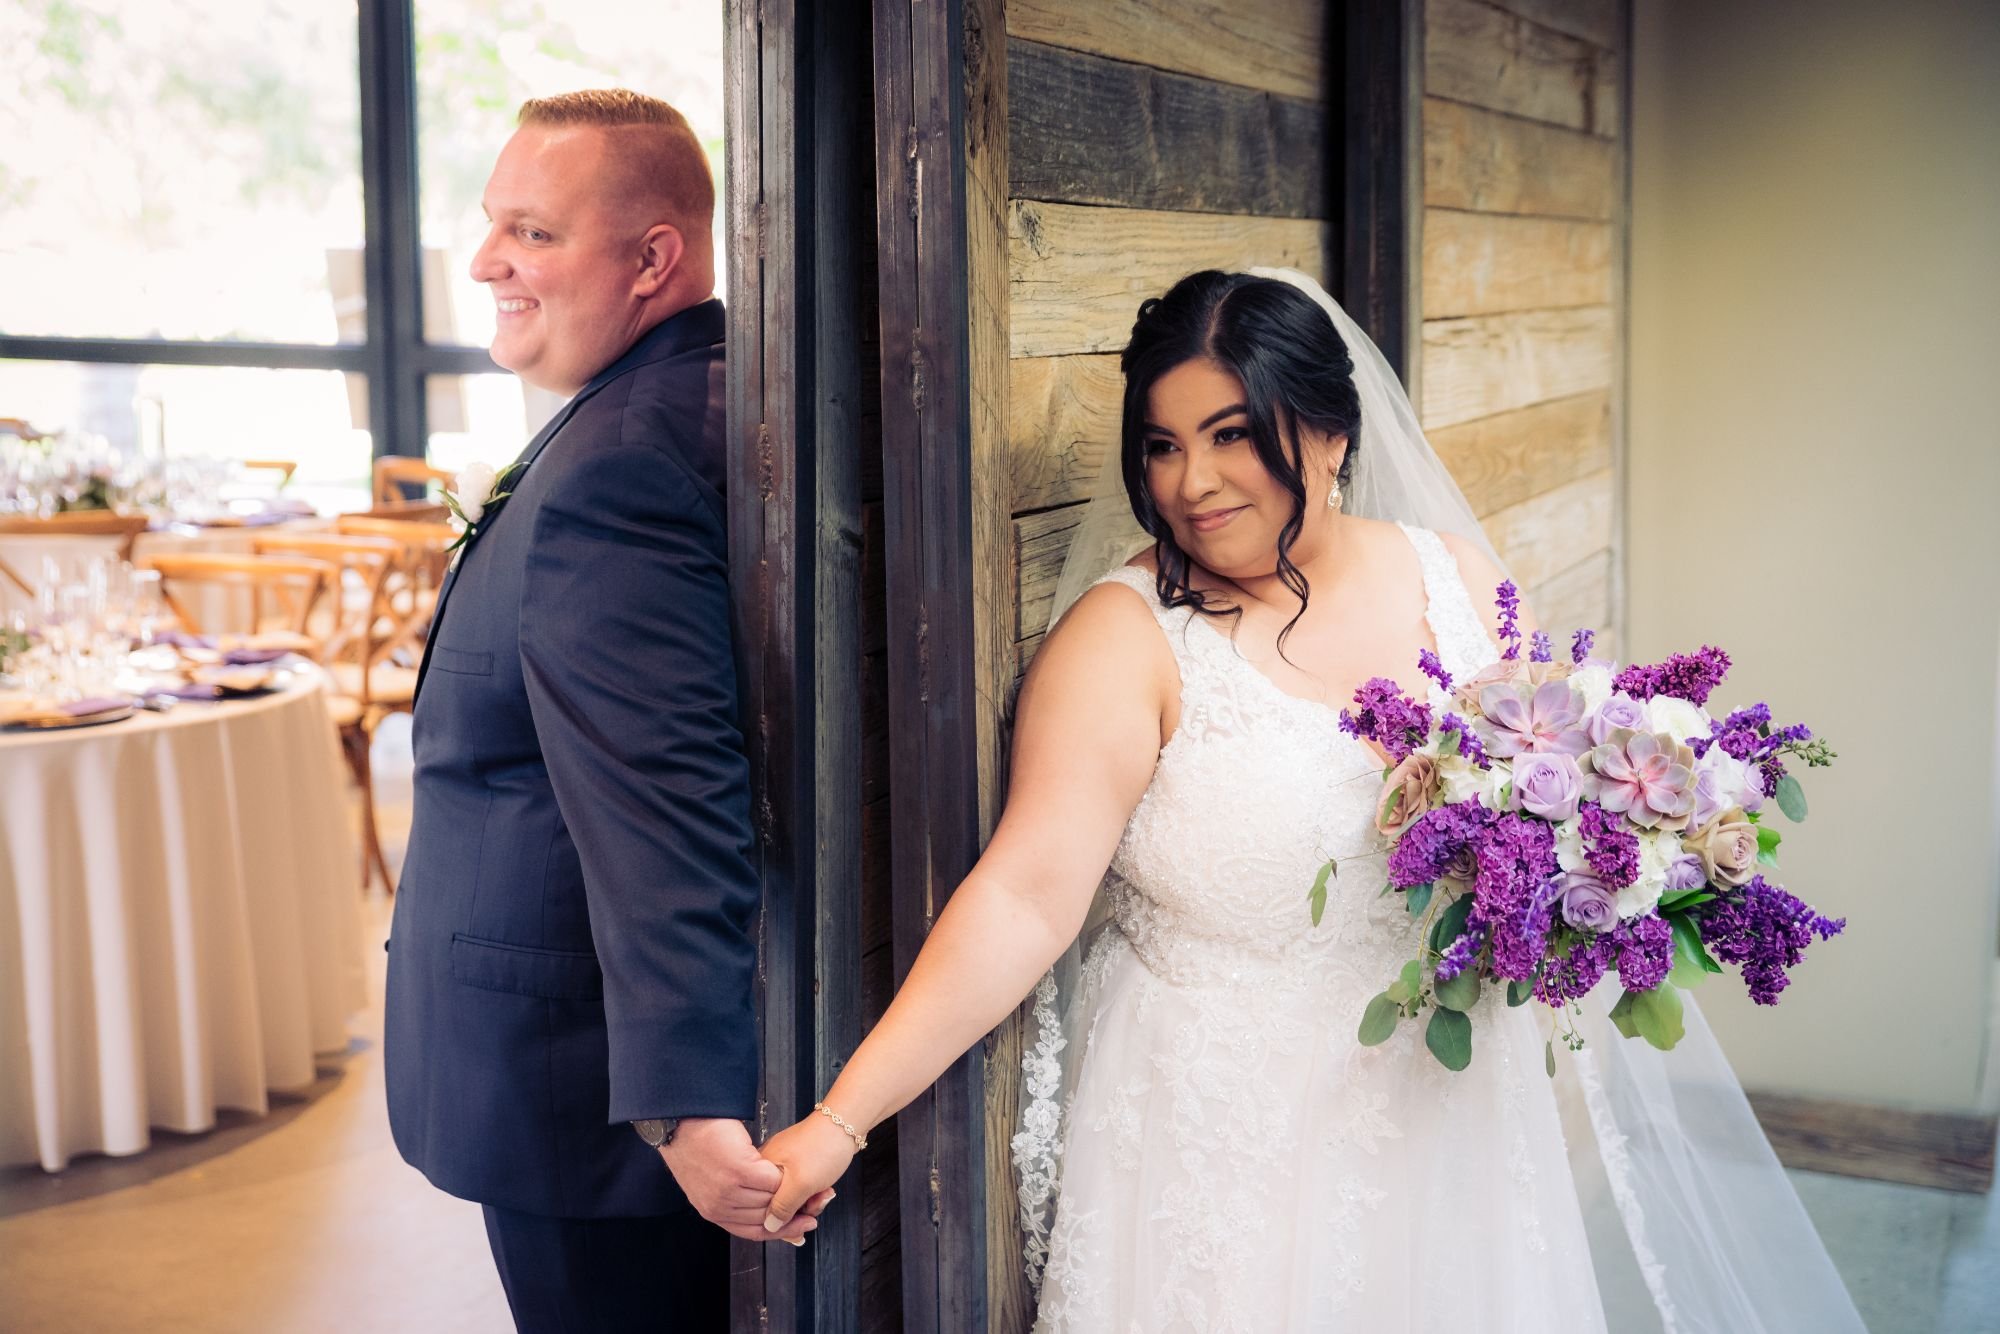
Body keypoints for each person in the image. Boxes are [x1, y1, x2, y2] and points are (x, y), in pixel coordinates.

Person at [755, 269, 1865, 1330]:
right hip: (1224, 1158)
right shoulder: (1126, 641)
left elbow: (1544, 810)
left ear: (1330, 435)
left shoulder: (1457, 583)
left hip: (1449, 1121)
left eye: (1231, 434)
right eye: (1162, 445)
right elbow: (1025, 897)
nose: (1192, 483)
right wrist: (840, 1120)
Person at [383, 89, 820, 1333]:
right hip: (574, 1075)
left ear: (651, 259)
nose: (486, 260)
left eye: (531, 231)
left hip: (582, 1098)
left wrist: (682, 1103)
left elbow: (663, 791)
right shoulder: (669, 403)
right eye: (492, 223)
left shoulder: (625, 457)